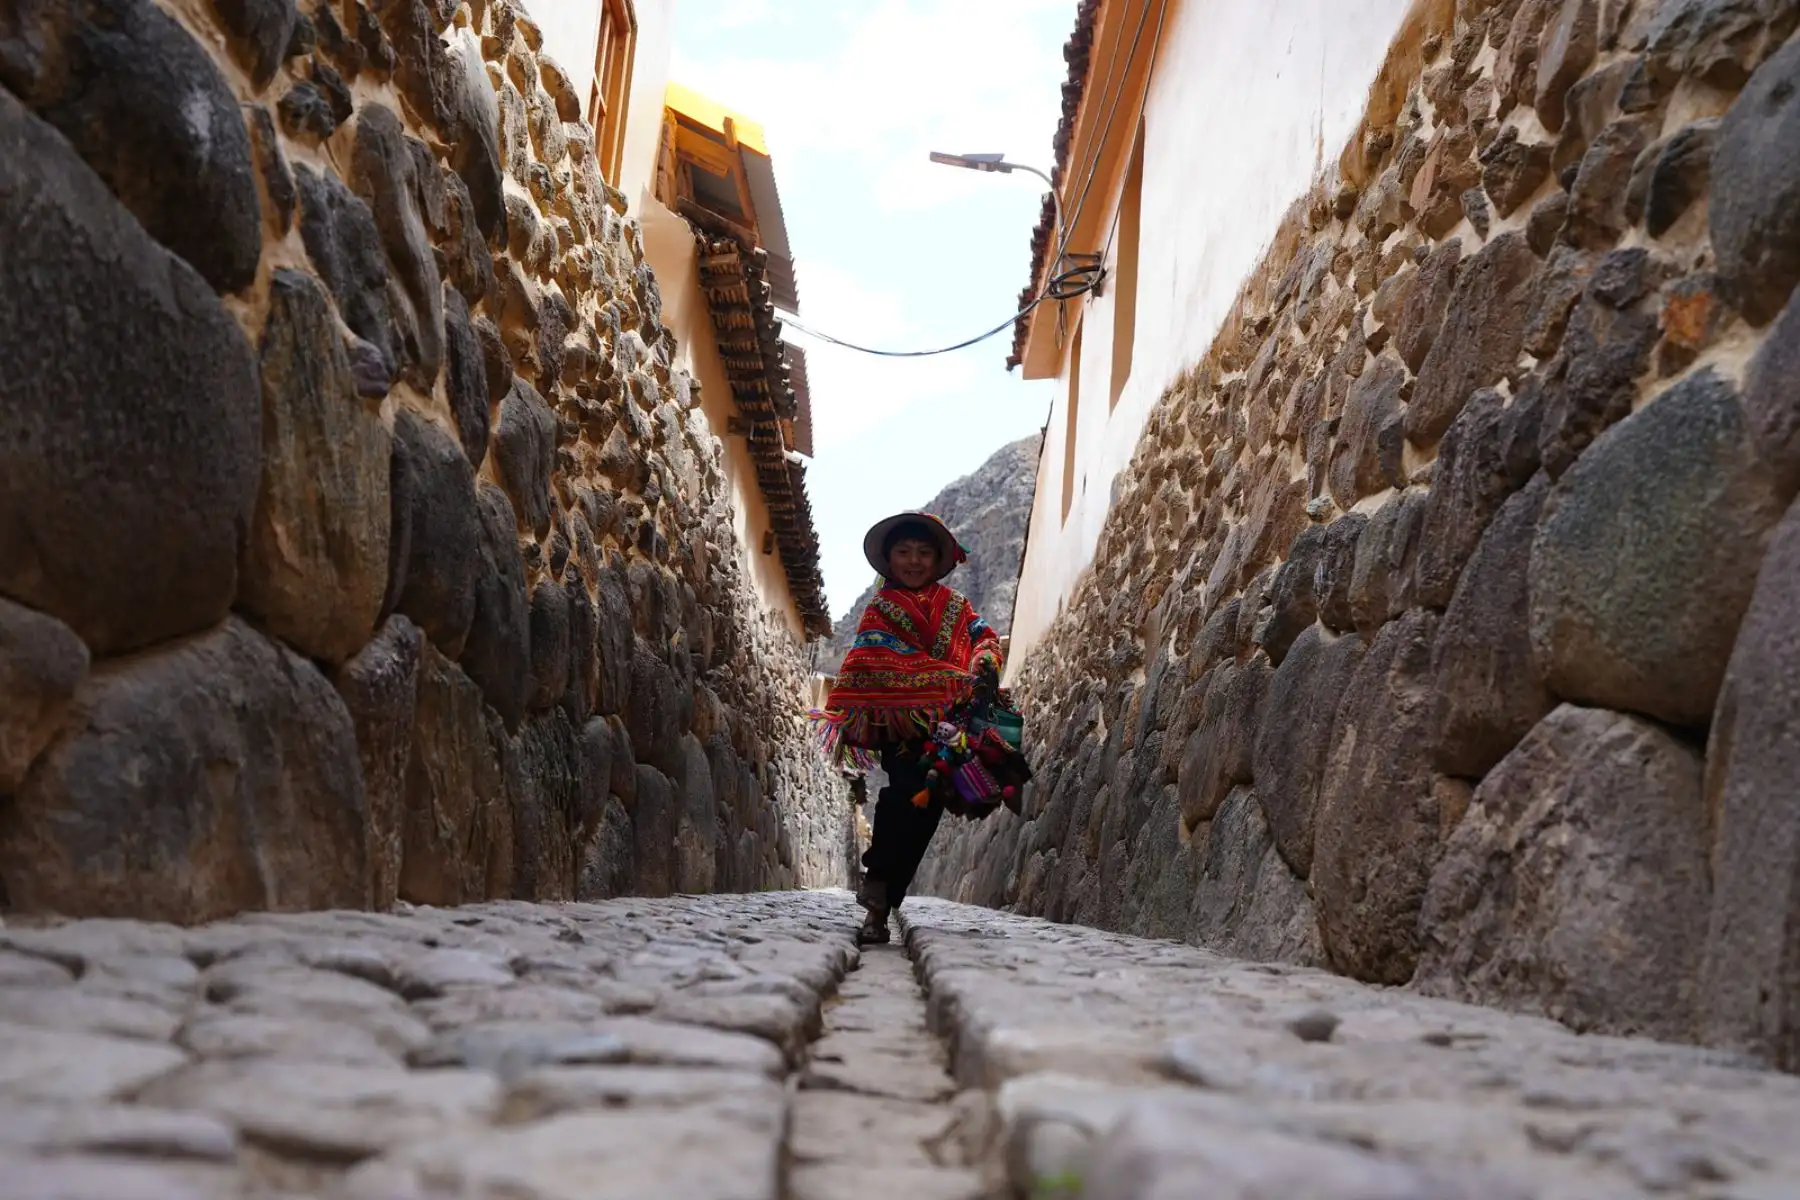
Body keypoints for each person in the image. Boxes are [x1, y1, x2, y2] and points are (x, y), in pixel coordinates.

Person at [811, 512, 1006, 945]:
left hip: (949, 728)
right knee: (901, 795)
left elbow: (983, 637)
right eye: (904, 552)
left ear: (938, 558)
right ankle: (878, 896)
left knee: (929, 805)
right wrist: (934, 681)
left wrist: (983, 660)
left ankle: (885, 894)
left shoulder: (957, 607)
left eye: (923, 553)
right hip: (902, 727)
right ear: (890, 559)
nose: (913, 561)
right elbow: (871, 659)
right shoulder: (882, 607)